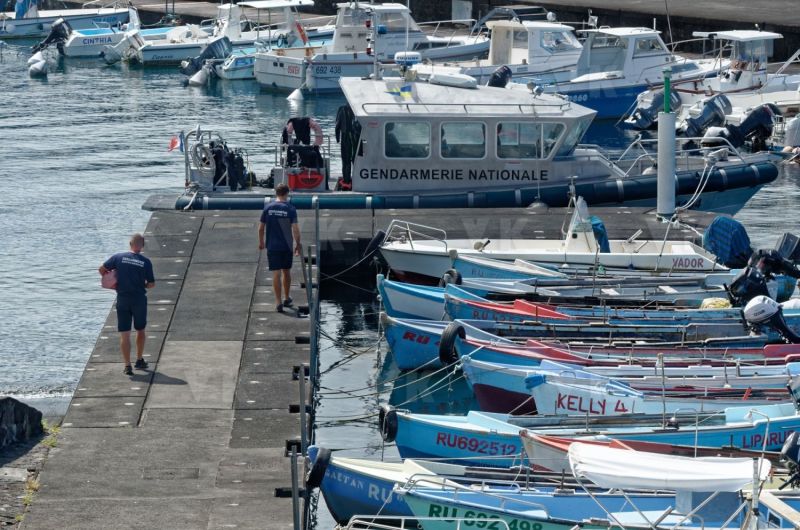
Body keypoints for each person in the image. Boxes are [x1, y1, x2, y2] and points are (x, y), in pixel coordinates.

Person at [99, 233, 155, 376]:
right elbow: (151, 284)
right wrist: (144, 285)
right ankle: (139, 359)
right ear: (142, 245)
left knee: (125, 334)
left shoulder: (118, 257)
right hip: (138, 300)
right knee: (140, 330)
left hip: (122, 299)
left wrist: (113, 282)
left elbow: (102, 269)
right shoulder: (146, 261)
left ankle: (127, 365)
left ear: (130, 244)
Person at [259, 183, 301, 312]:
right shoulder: (290, 209)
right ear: (287, 194)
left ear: (276, 193)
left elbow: (261, 228)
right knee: (286, 272)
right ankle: (286, 297)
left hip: (272, 245)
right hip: (286, 246)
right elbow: (295, 229)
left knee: (276, 274)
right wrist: (297, 244)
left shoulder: (268, 208)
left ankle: (278, 302)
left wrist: (261, 242)